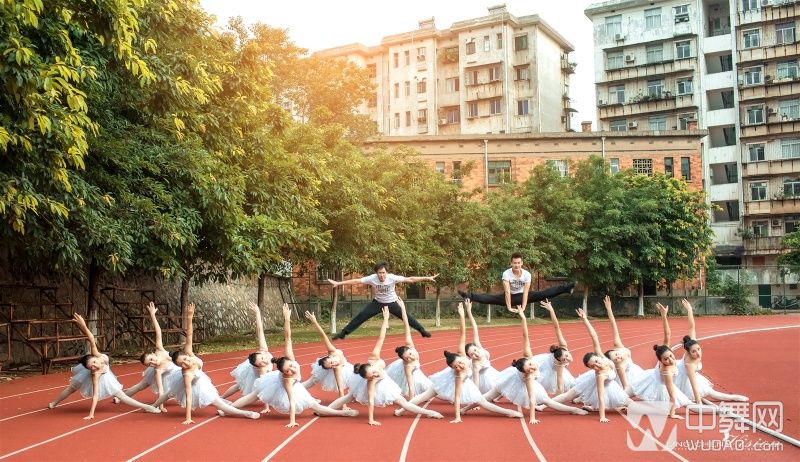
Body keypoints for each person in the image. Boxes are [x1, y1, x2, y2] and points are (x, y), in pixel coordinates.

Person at [228, 304, 358, 427]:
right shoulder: (287, 379)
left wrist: (287, 319)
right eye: (288, 371)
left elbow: (288, 337)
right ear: (285, 374)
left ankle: (341, 413)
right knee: (253, 396)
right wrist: (292, 421)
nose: (292, 369)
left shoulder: (290, 359)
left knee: (315, 405)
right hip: (280, 385)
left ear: (290, 360)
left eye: (290, 366)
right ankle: (229, 409)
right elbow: (291, 400)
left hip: (282, 380)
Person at [396, 302, 523, 423]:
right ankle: (402, 410)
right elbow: (457, 397)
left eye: (461, 363)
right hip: (448, 380)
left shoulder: (463, 355)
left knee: (483, 402)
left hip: (463, 381)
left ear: (462, 357)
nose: (461, 366)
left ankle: (508, 412)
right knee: (425, 395)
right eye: (457, 366)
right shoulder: (458, 373)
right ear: (453, 368)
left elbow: (462, 334)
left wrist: (462, 315)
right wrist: (457, 417)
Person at [463, 304, 587, 424]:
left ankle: (574, 409)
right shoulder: (529, 375)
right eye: (531, 368)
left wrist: (523, 318)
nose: (534, 367)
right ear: (527, 371)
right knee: (487, 397)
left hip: (523, 373)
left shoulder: (531, 359)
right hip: (512, 379)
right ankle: (466, 409)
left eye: (532, 365)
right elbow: (532, 399)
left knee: (547, 401)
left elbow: (525, 336)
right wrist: (532, 418)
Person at [328, 307, 442, 425]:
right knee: (349, 397)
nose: (375, 375)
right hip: (380, 384)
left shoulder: (374, 357)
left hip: (384, 381)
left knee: (404, 403)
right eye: (372, 376)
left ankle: (430, 412)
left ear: (371, 366)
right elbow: (371, 401)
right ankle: (326, 411)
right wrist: (371, 420)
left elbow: (381, 338)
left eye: (373, 373)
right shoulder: (371, 381)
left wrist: (385, 319)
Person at [152, 304, 260, 424]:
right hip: (197, 387)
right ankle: (246, 414)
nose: (186, 363)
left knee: (170, 392)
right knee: (173, 392)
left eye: (185, 359)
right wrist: (188, 417)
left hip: (200, 380)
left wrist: (190, 317)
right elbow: (188, 396)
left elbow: (190, 336)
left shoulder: (189, 353)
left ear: (187, 355)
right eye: (181, 364)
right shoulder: (187, 374)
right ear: (179, 367)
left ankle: (154, 405)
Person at [48, 313, 160, 419]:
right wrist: (91, 414)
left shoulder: (98, 356)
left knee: (122, 397)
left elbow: (91, 337)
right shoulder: (94, 373)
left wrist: (83, 325)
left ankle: (147, 407)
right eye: (91, 367)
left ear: (96, 358)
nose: (95, 366)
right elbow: (95, 395)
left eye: (94, 363)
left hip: (107, 377)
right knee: (72, 388)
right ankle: (54, 403)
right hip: (102, 378)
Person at [551, 309, 632, 423]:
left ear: (600, 357)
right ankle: (542, 404)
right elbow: (601, 396)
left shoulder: (605, 360)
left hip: (608, 385)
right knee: (569, 395)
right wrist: (602, 417)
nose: (597, 365)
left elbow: (595, 337)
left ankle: (592, 406)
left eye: (597, 362)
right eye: (594, 365)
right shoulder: (599, 373)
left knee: (632, 406)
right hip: (593, 380)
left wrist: (585, 318)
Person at [327, 262, 435, 339]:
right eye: (379, 273)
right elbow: (356, 281)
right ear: (376, 273)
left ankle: (422, 331)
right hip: (378, 303)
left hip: (392, 302)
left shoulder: (392, 277)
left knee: (406, 316)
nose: (381, 275)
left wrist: (427, 278)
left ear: (386, 272)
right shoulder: (372, 278)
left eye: (383, 273)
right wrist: (338, 283)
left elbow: (410, 279)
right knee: (362, 315)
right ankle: (343, 333)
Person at [675, 299, 748, 403]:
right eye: (694, 352)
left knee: (709, 391)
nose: (698, 353)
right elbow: (693, 383)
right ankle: (733, 397)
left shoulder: (692, 344)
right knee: (709, 393)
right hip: (682, 377)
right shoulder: (689, 364)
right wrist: (698, 401)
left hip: (690, 374)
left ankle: (734, 397)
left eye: (698, 349)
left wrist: (690, 310)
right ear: (689, 352)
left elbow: (692, 327)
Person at [629, 303, 691, 419]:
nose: (670, 360)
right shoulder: (666, 369)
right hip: (650, 381)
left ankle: (720, 410)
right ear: (660, 361)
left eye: (671, 356)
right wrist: (672, 414)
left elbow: (667, 334)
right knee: (621, 397)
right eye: (666, 359)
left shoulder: (665, 352)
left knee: (690, 405)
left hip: (658, 381)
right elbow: (672, 396)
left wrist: (664, 316)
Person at [115, 302, 181, 411]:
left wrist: (153, 315)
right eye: (149, 364)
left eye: (151, 359)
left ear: (153, 354)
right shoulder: (157, 370)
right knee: (141, 386)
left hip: (172, 372)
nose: (152, 362)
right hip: (163, 372)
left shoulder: (159, 349)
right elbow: (160, 390)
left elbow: (158, 331)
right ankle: (120, 397)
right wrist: (161, 406)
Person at [458, 253, 575, 313]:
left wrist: (523, 307)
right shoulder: (506, 274)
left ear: (522, 263)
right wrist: (509, 307)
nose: (517, 265)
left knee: (543, 294)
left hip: (522, 295)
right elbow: (507, 291)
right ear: (511, 263)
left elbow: (525, 293)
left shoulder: (527, 274)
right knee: (491, 298)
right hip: (509, 297)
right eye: (514, 263)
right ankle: (469, 295)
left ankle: (566, 288)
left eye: (519, 263)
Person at [220, 302, 273, 400]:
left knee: (241, 386)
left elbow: (260, 330)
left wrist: (257, 313)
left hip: (253, 363)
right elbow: (263, 384)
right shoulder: (261, 369)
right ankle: (222, 397)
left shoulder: (263, 349)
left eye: (262, 358)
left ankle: (222, 397)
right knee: (239, 385)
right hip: (253, 371)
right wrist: (267, 407)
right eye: (261, 362)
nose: (264, 360)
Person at [384, 298, 432, 398]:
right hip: (408, 371)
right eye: (407, 358)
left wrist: (402, 308)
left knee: (430, 391)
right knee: (398, 388)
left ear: (410, 349)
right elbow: (411, 386)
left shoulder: (410, 345)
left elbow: (406, 325)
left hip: (416, 371)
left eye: (410, 354)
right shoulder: (407, 365)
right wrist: (411, 402)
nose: (411, 357)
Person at [301, 310, 353, 400]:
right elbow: (340, 388)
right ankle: (294, 389)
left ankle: (355, 395)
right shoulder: (336, 368)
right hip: (333, 367)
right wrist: (343, 405)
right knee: (312, 381)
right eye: (332, 366)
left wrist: (314, 321)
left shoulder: (332, 351)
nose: (334, 364)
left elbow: (323, 335)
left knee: (356, 379)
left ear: (331, 357)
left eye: (332, 362)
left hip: (343, 367)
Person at [602, 295, 646, 396]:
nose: (617, 357)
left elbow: (614, 326)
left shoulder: (618, 346)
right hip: (624, 378)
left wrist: (609, 309)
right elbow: (624, 383)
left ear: (614, 350)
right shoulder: (619, 366)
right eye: (615, 358)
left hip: (635, 372)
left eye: (616, 354)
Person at [532, 299, 577, 394]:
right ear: (560, 361)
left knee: (572, 384)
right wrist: (559, 398)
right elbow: (559, 381)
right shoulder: (559, 363)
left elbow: (557, 327)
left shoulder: (563, 345)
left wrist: (551, 310)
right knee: (534, 381)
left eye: (567, 356)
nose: (568, 359)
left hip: (550, 361)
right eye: (564, 359)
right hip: (544, 365)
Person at [464, 298, 499, 394]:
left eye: (475, 350)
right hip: (483, 381)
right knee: (491, 394)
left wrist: (469, 311)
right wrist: (476, 399)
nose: (476, 353)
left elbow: (475, 328)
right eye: (472, 354)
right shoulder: (475, 365)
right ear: (470, 357)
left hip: (492, 373)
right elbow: (476, 382)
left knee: (506, 384)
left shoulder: (479, 348)